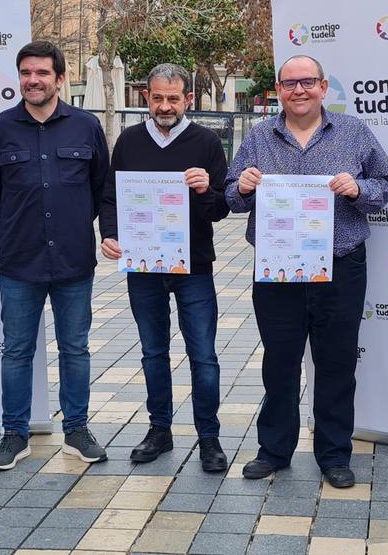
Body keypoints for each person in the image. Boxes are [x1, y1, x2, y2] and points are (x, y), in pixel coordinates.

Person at [227, 55, 388, 489]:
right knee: (279, 363)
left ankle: (334, 455)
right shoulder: (259, 137)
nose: (298, 90)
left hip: (341, 267)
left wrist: (359, 189)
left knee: (337, 364)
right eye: (289, 83)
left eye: (307, 82)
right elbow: (230, 194)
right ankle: (274, 450)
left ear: (324, 87)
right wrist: (243, 187)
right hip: (278, 270)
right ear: (278, 89)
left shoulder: (354, 133)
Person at [0, 40, 110, 471]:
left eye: (41, 73)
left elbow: (99, 190)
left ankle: (76, 430)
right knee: (17, 351)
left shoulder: (86, 127)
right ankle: (14, 434)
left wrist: (78, 225)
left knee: (76, 349)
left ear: (60, 77)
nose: (33, 80)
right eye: (25, 73)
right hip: (20, 261)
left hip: (74, 261)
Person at [98, 63, 231, 473]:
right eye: (157, 97)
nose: (165, 105)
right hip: (143, 267)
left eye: (174, 98)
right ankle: (160, 430)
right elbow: (110, 196)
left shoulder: (207, 142)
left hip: (194, 266)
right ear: (146, 98)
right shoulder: (129, 141)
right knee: (153, 353)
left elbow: (222, 208)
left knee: (204, 355)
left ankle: (209, 438)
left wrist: (207, 188)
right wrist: (110, 233)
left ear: (187, 99)